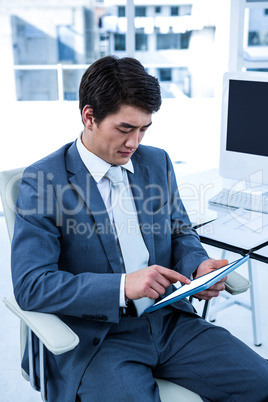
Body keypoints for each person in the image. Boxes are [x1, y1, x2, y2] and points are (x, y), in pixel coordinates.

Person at [11, 56, 268, 402]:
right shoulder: (44, 181)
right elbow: (32, 285)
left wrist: (198, 265)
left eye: (144, 128)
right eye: (125, 128)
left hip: (171, 320)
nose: (135, 142)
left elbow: (180, 231)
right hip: (100, 339)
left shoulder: (155, 161)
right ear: (89, 117)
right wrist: (122, 286)